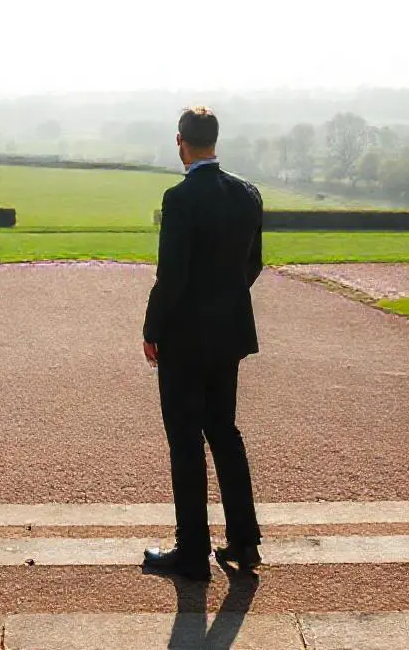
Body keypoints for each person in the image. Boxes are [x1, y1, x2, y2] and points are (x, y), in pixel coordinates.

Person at [141, 106, 264, 582]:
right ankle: (244, 540)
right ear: (215, 141)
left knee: (185, 440)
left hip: (185, 338)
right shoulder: (247, 195)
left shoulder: (180, 198)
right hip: (229, 333)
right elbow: (252, 265)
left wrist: (152, 329)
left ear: (181, 142)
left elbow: (170, 277)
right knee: (224, 432)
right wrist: (224, 301)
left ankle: (192, 551)